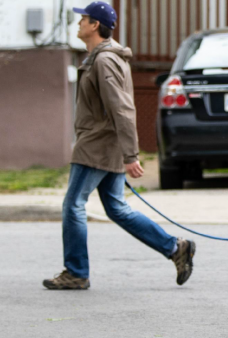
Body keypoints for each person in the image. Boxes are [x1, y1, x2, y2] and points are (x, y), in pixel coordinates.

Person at [43, 1, 195, 290]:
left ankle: (76, 272)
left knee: (73, 205)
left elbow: (122, 108)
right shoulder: (101, 58)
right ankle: (176, 249)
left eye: (83, 19)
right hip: (104, 143)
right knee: (117, 208)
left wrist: (130, 154)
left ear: (95, 25)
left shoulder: (104, 61)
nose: (79, 23)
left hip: (97, 146)